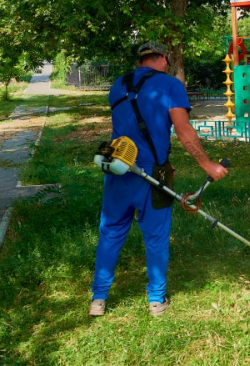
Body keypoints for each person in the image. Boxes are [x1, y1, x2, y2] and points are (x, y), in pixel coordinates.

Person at [89, 41, 228, 317]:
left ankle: (98, 300)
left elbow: (127, 125)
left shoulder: (118, 84)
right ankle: (156, 300)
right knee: (156, 235)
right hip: (153, 174)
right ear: (163, 58)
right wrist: (208, 164)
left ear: (140, 61)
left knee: (111, 232)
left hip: (118, 168)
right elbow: (184, 130)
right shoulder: (170, 85)